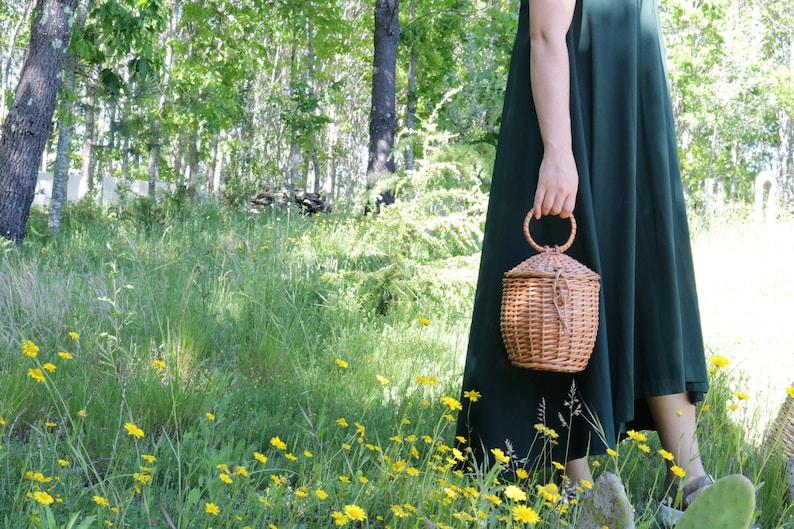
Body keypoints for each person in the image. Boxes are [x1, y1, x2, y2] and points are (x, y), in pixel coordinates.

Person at [455, 0, 712, 522]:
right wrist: (557, 152)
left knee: (652, 279)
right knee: (564, 289)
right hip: (575, 123)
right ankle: (578, 490)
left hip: (632, 119)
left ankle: (691, 481)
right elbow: (547, 36)